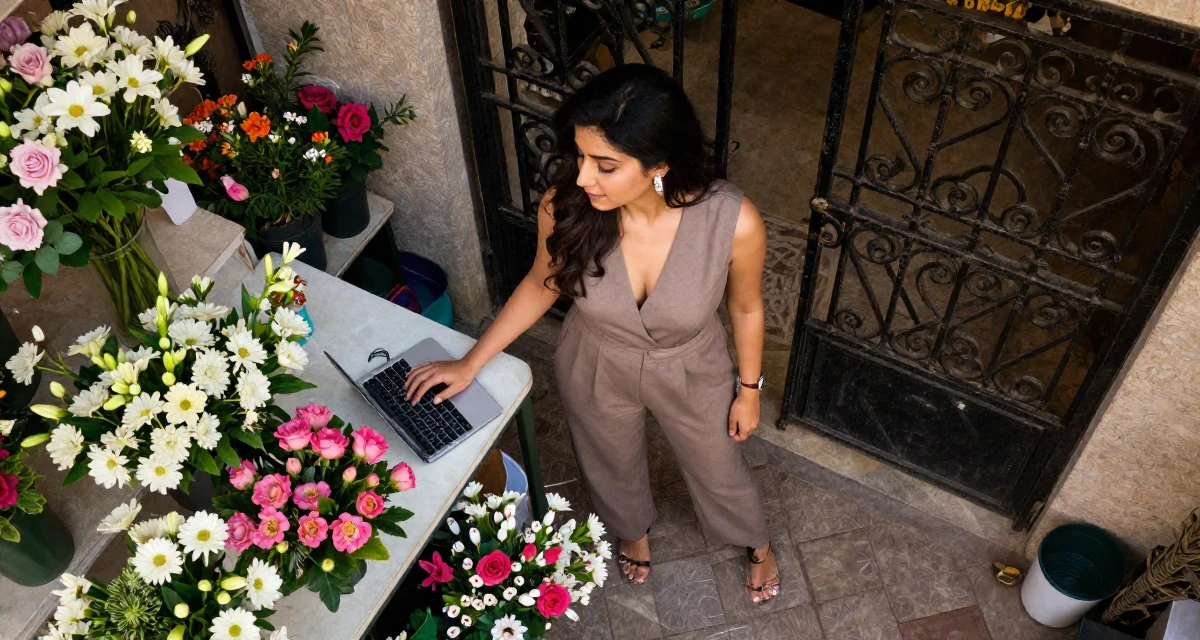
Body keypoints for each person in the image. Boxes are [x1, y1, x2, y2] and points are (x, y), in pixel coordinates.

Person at [404, 63, 779, 603]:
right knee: (608, 460)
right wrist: (471, 361)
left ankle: (756, 543)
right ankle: (632, 532)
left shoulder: (733, 220)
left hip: (692, 365)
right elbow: (541, 283)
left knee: (719, 467)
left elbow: (746, 308)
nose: (582, 177)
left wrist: (748, 390)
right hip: (597, 357)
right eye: (580, 157)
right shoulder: (568, 207)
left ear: (660, 165)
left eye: (605, 165)